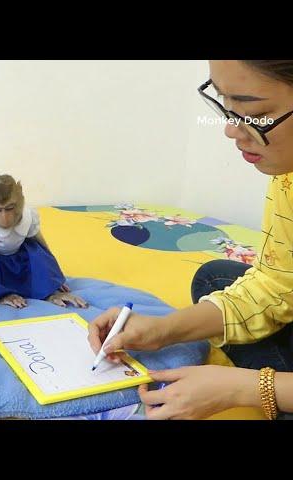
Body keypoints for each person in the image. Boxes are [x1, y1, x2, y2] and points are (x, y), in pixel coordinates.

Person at [88, 60, 293, 420]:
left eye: (255, 113)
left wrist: (245, 387)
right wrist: (163, 331)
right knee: (214, 278)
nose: (232, 130)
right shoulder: (287, 175)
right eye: (225, 105)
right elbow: (278, 282)